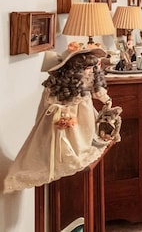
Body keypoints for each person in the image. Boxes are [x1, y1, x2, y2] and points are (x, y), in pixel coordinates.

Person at [4, 45, 122, 193]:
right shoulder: (58, 87)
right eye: (87, 68)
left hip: (84, 120)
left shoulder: (89, 81)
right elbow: (47, 104)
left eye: (92, 67)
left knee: (84, 135)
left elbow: (99, 92)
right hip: (64, 121)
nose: (91, 71)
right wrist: (61, 112)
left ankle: (83, 146)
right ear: (75, 69)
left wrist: (107, 101)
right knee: (65, 140)